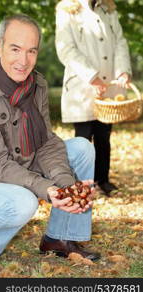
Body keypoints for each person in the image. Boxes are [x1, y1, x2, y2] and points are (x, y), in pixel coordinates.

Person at [0, 14, 100, 263]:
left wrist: (67, 186)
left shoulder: (37, 85)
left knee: (81, 148)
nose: (23, 61)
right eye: (15, 49)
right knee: (23, 201)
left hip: (21, 163)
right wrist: (47, 189)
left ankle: (60, 237)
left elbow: (45, 142)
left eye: (31, 51)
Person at [55, 0, 132, 195]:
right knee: (82, 139)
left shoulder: (108, 9)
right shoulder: (66, 10)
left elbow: (120, 42)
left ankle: (102, 181)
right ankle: (80, 184)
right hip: (82, 85)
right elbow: (66, 49)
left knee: (103, 136)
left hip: (108, 86)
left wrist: (123, 70)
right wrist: (91, 76)